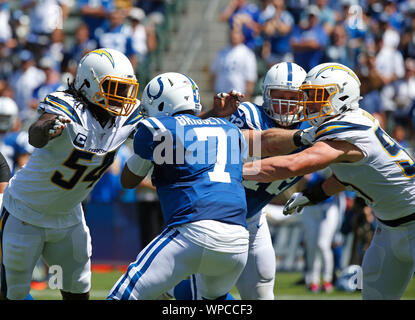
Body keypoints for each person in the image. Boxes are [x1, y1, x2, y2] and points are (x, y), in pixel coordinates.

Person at [243, 62, 415, 300]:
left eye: (316, 95)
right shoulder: (344, 123)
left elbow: (293, 164)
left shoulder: (347, 127)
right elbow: (348, 177)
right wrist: (312, 195)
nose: (309, 103)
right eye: (308, 95)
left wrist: (235, 170)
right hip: (387, 228)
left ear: (342, 95)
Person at [165, 62, 317, 300]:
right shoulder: (249, 115)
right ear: (266, 95)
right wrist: (213, 114)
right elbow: (260, 141)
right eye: (280, 96)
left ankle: (170, 292)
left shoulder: (314, 128)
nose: (286, 103)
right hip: (214, 216)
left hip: (253, 218)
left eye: (293, 96)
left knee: (262, 289)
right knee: (206, 295)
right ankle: (170, 292)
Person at [0, 48, 141, 300]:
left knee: (77, 290)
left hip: (69, 217)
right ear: (89, 83)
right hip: (24, 212)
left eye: (125, 89)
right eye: (115, 88)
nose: (122, 97)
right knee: (13, 293)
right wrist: (47, 128)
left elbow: (168, 129)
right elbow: (36, 134)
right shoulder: (66, 105)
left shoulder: (126, 118)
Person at [107, 72, 250, 300]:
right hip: (238, 240)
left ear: (161, 103)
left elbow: (128, 181)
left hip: (194, 231)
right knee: (205, 298)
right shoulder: (230, 129)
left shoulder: (160, 128)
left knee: (122, 296)